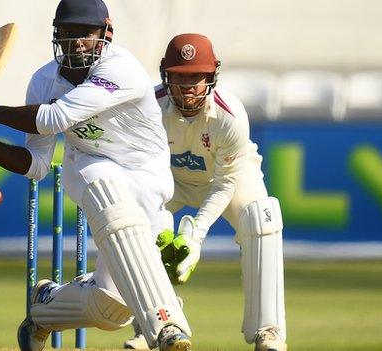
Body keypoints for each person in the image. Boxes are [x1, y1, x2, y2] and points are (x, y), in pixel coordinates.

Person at [0, 1, 192, 351]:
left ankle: (45, 307)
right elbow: (36, 165)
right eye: (68, 34)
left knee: (111, 309)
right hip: (90, 165)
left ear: (106, 34)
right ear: (57, 35)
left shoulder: (122, 69)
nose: (76, 43)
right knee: (108, 189)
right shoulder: (44, 81)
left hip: (147, 179)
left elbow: (54, 119)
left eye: (85, 35)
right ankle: (167, 329)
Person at [123, 34, 287, 351]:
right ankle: (154, 324)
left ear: (211, 77)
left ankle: (269, 330)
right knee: (134, 226)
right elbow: (138, 170)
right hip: (168, 179)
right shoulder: (147, 108)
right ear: (165, 76)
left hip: (229, 177)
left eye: (196, 76)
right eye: (179, 76)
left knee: (261, 219)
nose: (188, 86)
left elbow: (226, 182)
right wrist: (156, 224)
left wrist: (196, 234)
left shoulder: (230, 116)